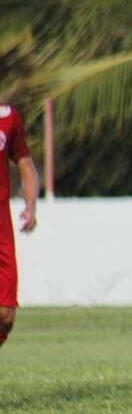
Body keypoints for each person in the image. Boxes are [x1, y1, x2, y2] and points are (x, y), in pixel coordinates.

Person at [0, 103, 39, 348]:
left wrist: (30, 205)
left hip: (1, 230)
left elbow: (25, 164)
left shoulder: (7, 117)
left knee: (5, 315)